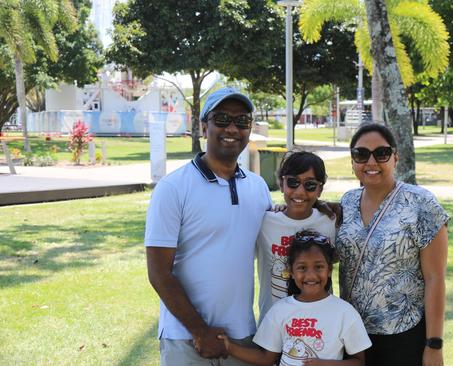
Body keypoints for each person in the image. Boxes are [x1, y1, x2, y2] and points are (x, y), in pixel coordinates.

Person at [144, 87, 272, 365]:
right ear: (204, 126)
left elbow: (282, 232)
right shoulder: (173, 188)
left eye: (242, 121)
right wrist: (199, 331)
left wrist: (325, 209)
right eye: (222, 118)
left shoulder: (258, 188)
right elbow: (158, 273)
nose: (232, 128)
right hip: (186, 338)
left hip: (243, 336)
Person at [335, 123, 449, 366]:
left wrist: (434, 344)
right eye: (361, 154)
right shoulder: (347, 202)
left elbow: (435, 278)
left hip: (403, 335)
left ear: (395, 157)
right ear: (353, 160)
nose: (371, 162)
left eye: (382, 153)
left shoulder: (421, 204)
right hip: (351, 335)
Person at [219, 230, 372, 366]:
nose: (311, 275)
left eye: (318, 266)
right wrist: (229, 347)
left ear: (329, 270)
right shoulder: (280, 310)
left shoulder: (345, 312)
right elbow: (266, 358)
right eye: (302, 268)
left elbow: (359, 362)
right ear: (291, 272)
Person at [256, 151, 336, 323]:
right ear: (281, 184)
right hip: (274, 325)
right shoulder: (264, 222)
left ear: (320, 189)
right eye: (292, 182)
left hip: (321, 324)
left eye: (310, 185)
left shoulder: (331, 222)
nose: (300, 192)